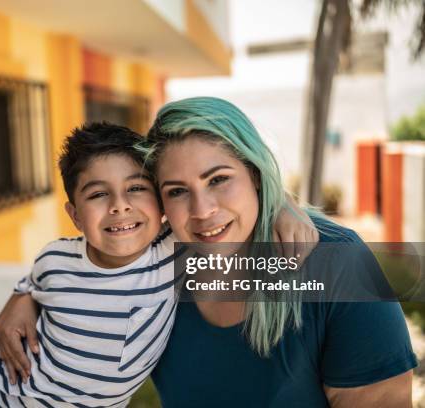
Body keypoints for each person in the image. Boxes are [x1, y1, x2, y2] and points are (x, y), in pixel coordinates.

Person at [0, 120, 316, 407]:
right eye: (97, 194)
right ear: (75, 215)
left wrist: (282, 206)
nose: (119, 205)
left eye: (136, 188)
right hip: (0, 398)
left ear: (160, 203)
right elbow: (26, 290)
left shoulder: (173, 248)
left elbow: (238, 195)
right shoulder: (56, 257)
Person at [142, 97, 417, 407]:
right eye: (177, 191)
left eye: (218, 179)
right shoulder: (151, 274)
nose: (203, 210)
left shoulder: (337, 263)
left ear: (255, 174)